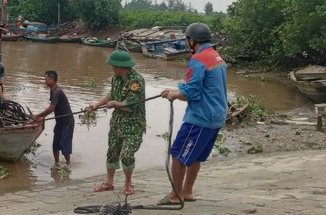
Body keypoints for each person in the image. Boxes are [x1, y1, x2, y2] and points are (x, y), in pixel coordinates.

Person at [158, 22, 227, 205]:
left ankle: (176, 194)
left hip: (200, 118)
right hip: (217, 116)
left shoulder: (198, 59)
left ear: (191, 40)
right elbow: (203, 88)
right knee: (195, 156)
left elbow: (192, 93)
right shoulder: (216, 56)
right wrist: (175, 91)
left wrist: (175, 94)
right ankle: (187, 191)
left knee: (177, 154)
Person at [86, 50, 146, 196]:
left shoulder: (136, 80)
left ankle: (128, 183)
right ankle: (109, 183)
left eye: (113, 66)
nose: (112, 68)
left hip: (133, 124)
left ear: (120, 66)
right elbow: (111, 95)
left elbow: (130, 104)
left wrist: (115, 104)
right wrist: (96, 105)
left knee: (127, 154)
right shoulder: (116, 78)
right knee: (112, 151)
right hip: (117, 123)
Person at [32, 70, 74, 168]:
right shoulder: (52, 91)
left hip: (67, 121)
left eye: (46, 79)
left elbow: (51, 108)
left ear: (52, 79)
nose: (45, 81)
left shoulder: (57, 92)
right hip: (59, 121)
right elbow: (52, 107)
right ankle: (56, 164)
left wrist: (38, 116)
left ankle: (68, 164)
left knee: (64, 144)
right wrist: (41, 116)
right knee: (55, 143)